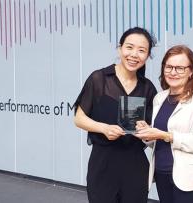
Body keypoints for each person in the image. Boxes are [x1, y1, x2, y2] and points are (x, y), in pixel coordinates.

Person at [74, 27, 157, 203]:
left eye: (141, 50)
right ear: (120, 48)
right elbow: (79, 118)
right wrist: (103, 128)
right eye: (129, 47)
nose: (134, 54)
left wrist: (146, 129)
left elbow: (152, 129)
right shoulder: (99, 78)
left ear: (148, 56)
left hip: (135, 165)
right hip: (103, 163)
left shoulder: (148, 88)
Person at [135, 45, 193, 203]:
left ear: (191, 71)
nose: (173, 72)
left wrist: (165, 135)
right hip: (161, 171)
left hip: (187, 176)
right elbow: (157, 140)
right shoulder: (160, 97)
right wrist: (147, 133)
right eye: (169, 67)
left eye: (180, 68)